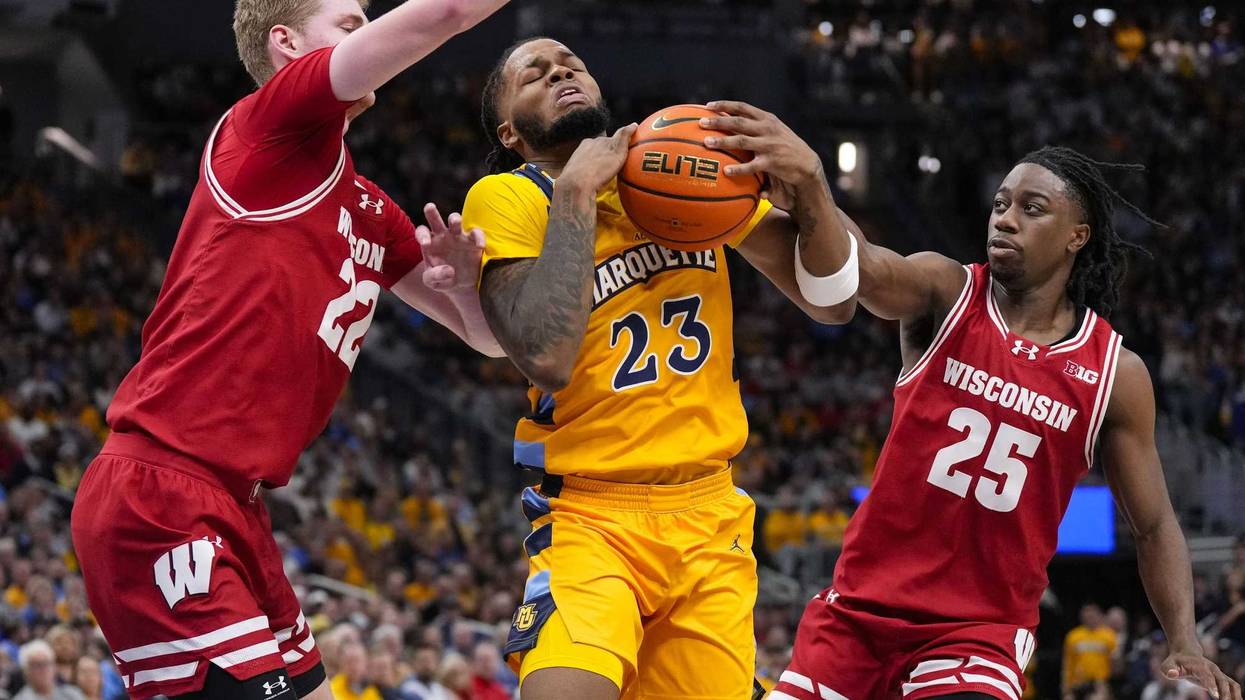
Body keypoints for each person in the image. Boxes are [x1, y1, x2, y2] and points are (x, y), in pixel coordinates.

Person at [68, 1, 510, 699]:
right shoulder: (266, 127)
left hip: (238, 503)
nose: (366, 34)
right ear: (286, 44)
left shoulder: (368, 206)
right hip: (160, 488)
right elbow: (445, 12)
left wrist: (461, 286)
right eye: (349, 21)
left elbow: (484, 339)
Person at [769, 146, 1243, 700]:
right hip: (857, 615)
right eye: (1000, 203)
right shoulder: (944, 292)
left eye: (1032, 208)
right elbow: (862, 267)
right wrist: (812, 188)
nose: (1006, 217)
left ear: (1077, 236)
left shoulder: (1113, 373)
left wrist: (1183, 640)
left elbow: (1156, 524)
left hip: (976, 635)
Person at [463, 36, 857, 700]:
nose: (561, 71)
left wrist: (811, 183)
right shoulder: (508, 196)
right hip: (591, 514)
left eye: (573, 65)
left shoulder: (677, 172)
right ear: (509, 130)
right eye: (534, 75)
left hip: (708, 514)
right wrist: (577, 194)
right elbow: (545, 355)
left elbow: (832, 300)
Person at [1064, 604, 1119, 696]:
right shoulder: (1073, 636)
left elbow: (1115, 663)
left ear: (1099, 616)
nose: (1089, 619)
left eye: (1092, 616)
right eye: (1086, 617)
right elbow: (1068, 663)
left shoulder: (1109, 635)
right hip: (1078, 682)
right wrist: (1066, 688)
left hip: (1100, 683)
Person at [14, 640, 84, 700]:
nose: (43, 669)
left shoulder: (72, 694)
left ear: (54, 667)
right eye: (37, 665)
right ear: (26, 671)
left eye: (47, 663)